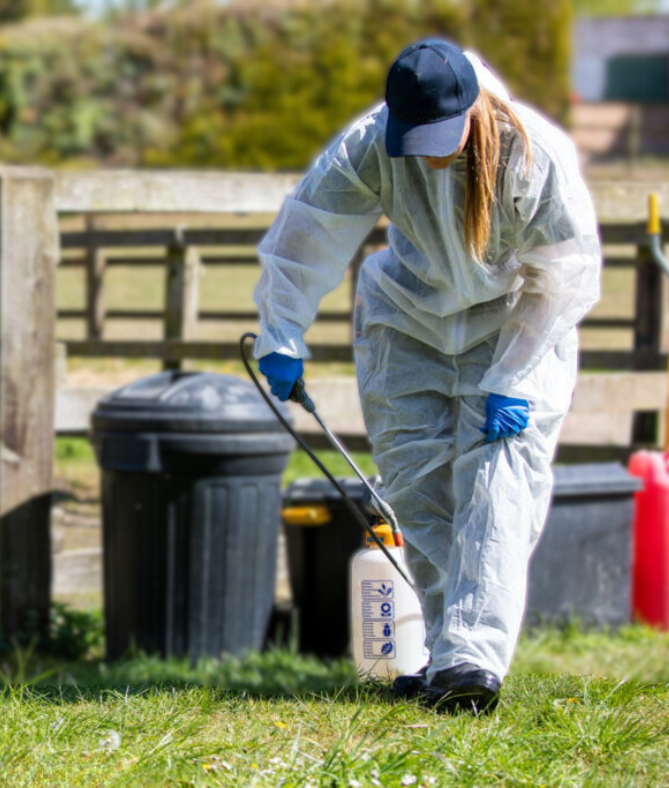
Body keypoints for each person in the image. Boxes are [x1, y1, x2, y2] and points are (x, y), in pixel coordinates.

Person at [253, 39, 601, 712]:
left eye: (442, 136)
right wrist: (281, 329)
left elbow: (564, 279)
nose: (430, 152)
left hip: (513, 325)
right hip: (407, 320)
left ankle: (473, 659)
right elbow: (310, 229)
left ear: (475, 108)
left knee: (496, 492)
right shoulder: (372, 142)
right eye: (416, 137)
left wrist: (516, 375)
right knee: (418, 490)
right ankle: (449, 659)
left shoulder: (535, 157)